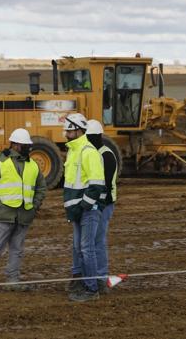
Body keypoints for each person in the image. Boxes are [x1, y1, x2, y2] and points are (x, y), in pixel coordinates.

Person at [0, 128, 46, 291]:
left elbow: (41, 187)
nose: (28, 148)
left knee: (17, 250)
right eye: (24, 145)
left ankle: (13, 280)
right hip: (4, 215)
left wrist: (34, 206)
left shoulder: (33, 166)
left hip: (24, 215)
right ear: (15, 145)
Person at [62, 113, 106, 302]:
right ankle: (86, 285)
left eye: (69, 131)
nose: (66, 134)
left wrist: (83, 206)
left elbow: (97, 184)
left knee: (87, 249)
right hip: (78, 210)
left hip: (88, 210)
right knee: (80, 249)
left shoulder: (88, 152)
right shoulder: (73, 151)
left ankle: (92, 289)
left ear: (79, 131)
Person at [85, 119, 118, 294]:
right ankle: (94, 276)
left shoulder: (106, 155)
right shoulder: (92, 153)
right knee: (92, 242)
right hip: (95, 203)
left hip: (104, 204)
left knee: (98, 241)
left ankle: (101, 277)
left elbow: (104, 183)